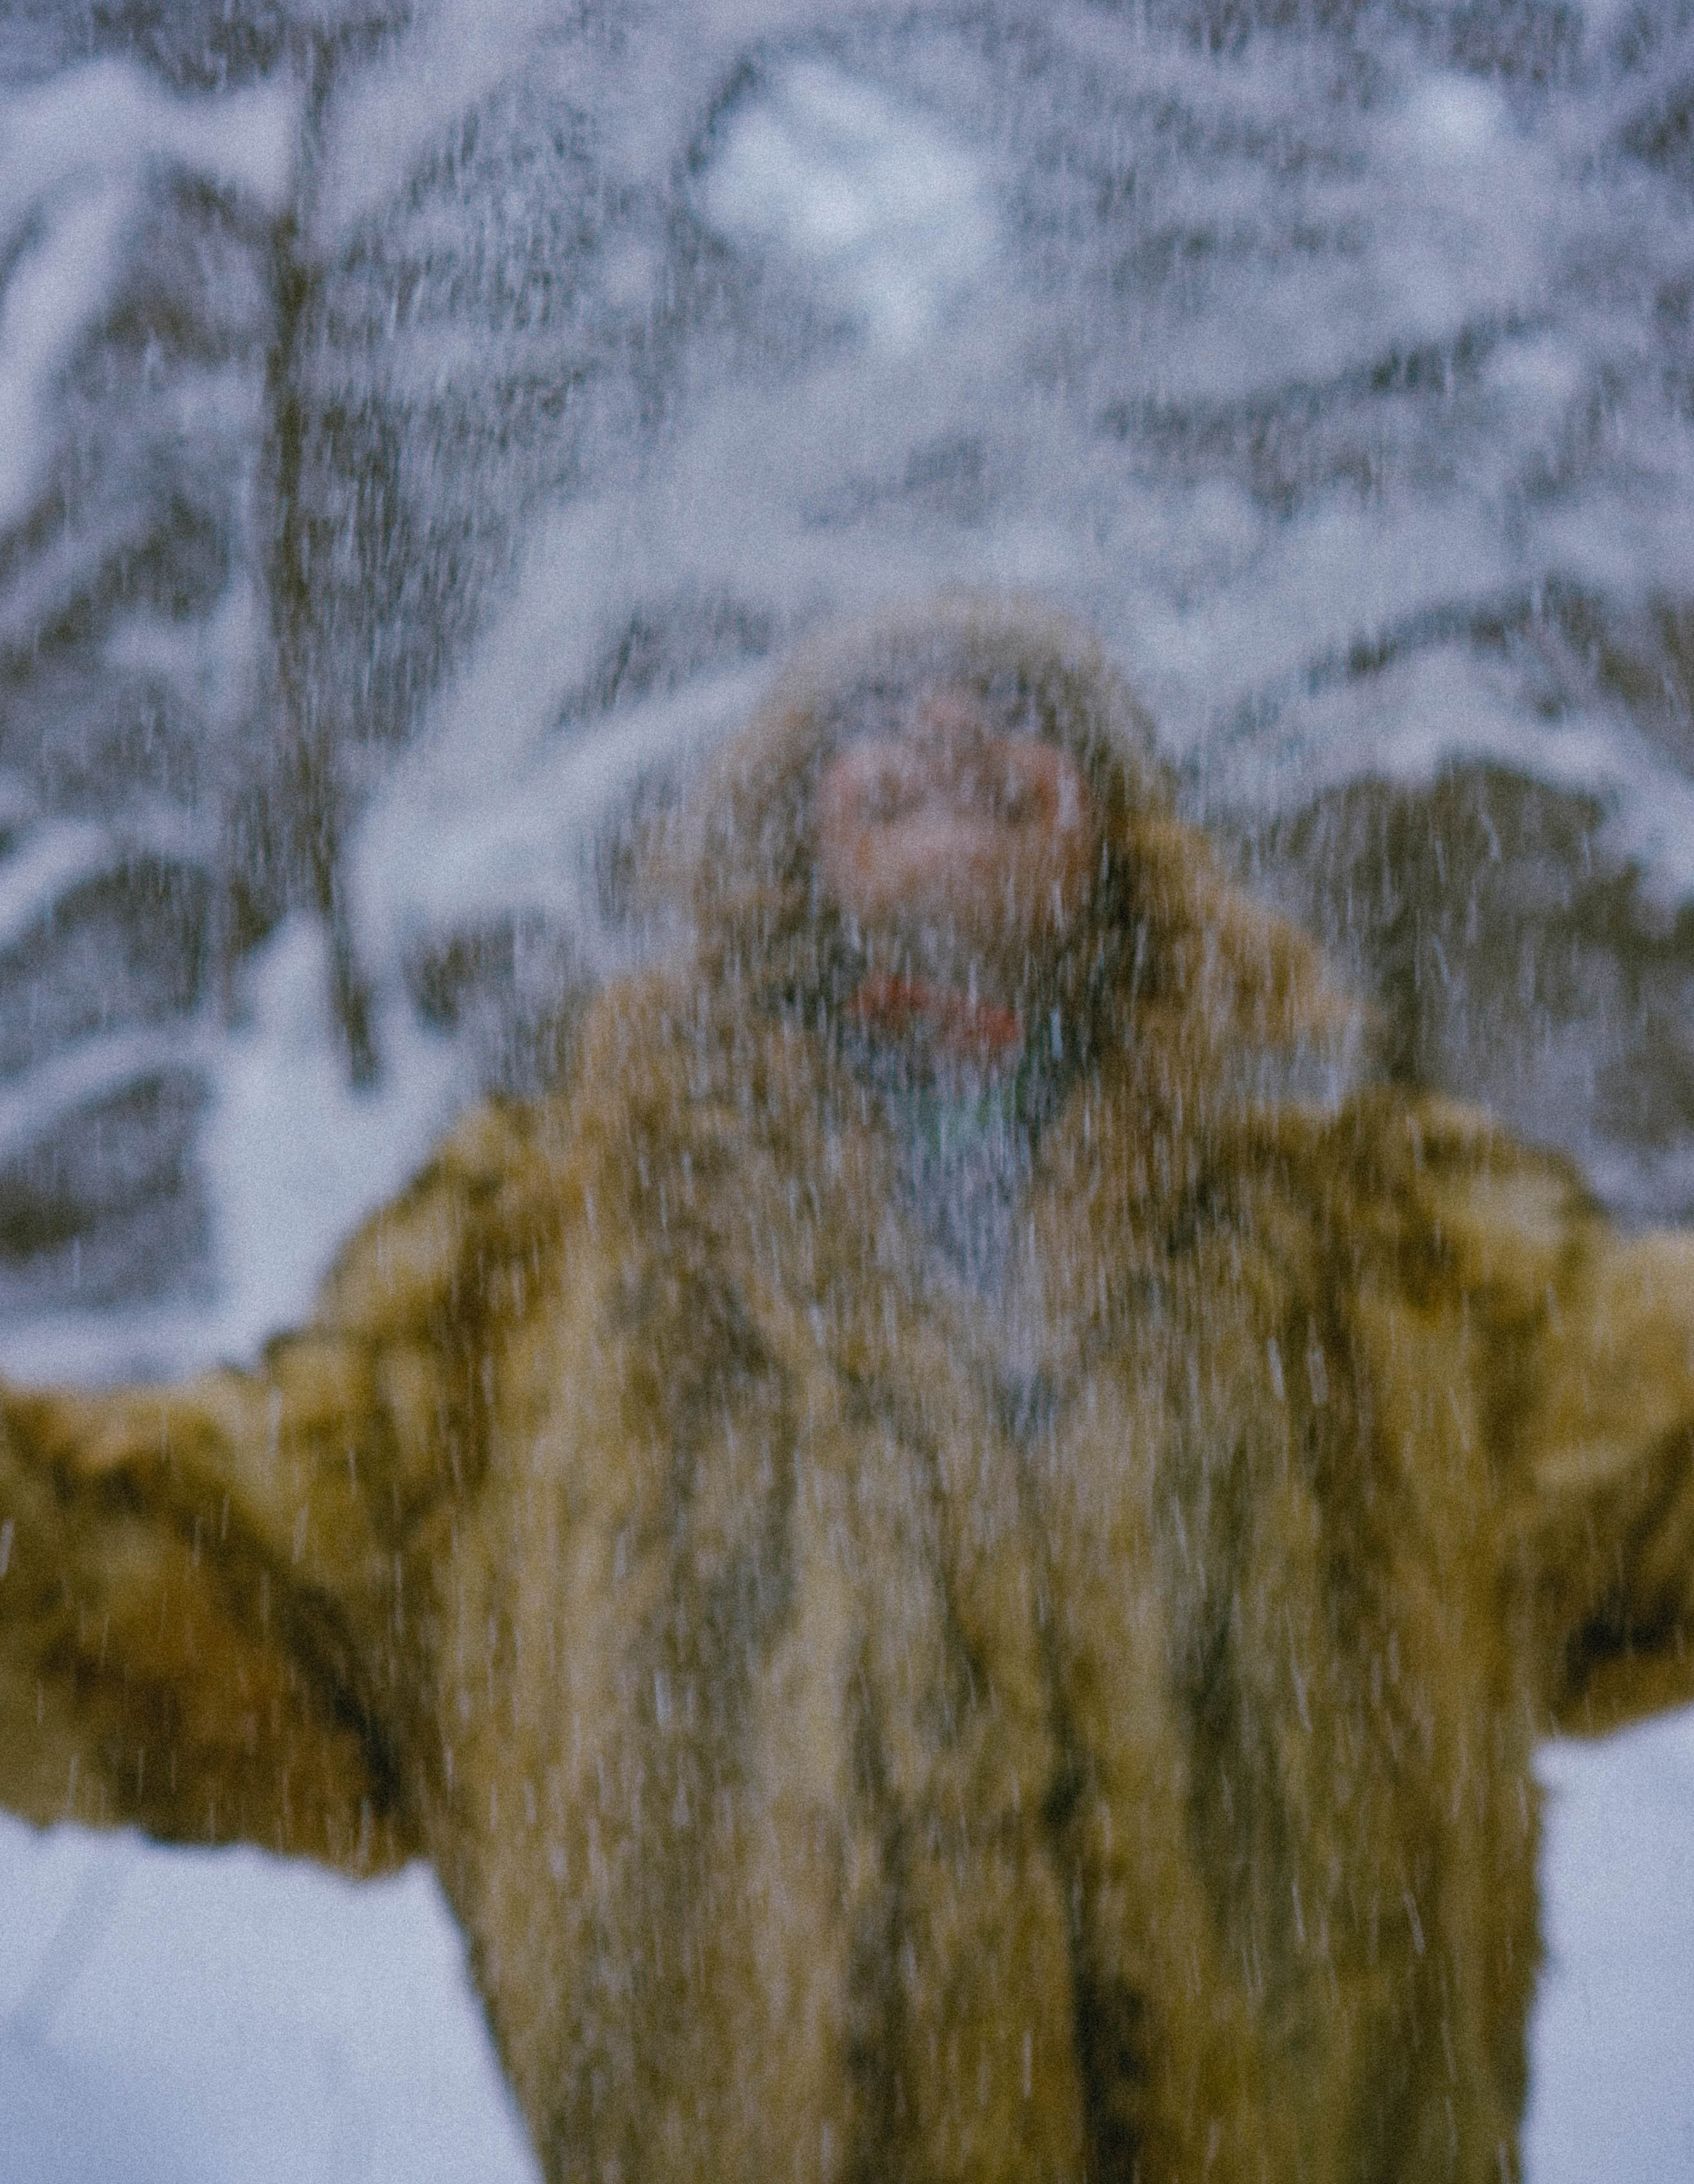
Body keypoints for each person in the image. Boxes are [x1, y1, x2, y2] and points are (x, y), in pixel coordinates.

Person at [0, 592, 1691, 2184]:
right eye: (876, 717)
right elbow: (195, 1570)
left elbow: (1658, 1416)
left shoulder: (1385, 1249)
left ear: (1118, 836)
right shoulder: (532, 1283)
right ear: (780, 844)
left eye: (1018, 712)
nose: (948, 728)